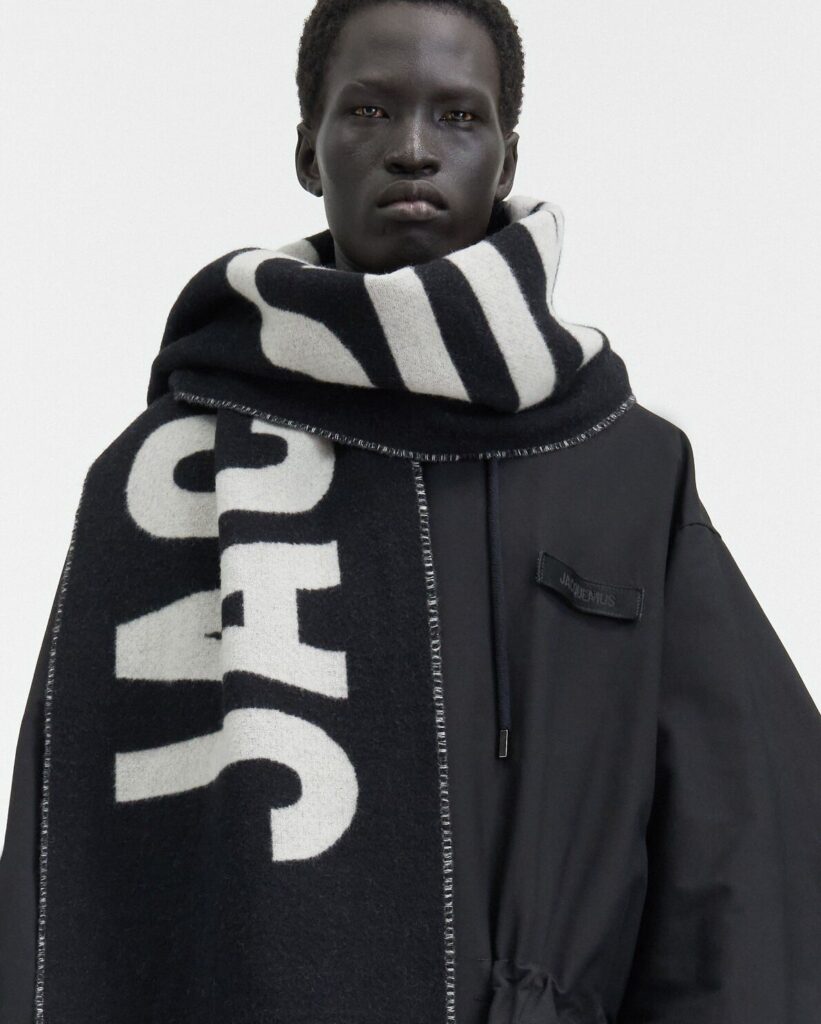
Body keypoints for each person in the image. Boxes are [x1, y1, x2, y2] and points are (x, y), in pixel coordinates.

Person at [2, 0, 819, 1021]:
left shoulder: (619, 463)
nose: (414, 149)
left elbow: (744, 858)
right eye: (368, 111)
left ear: (507, 159)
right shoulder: (173, 472)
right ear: (307, 152)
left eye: (459, 116)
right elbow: (74, 874)